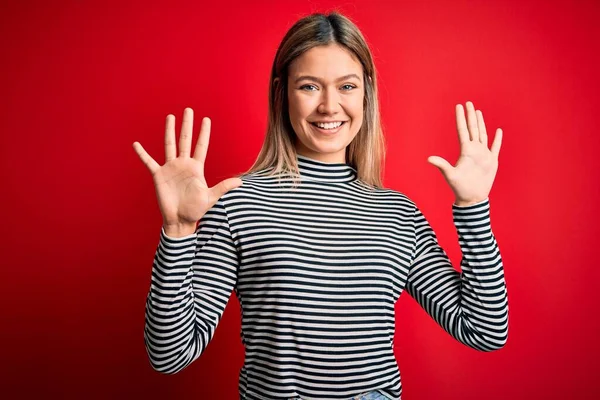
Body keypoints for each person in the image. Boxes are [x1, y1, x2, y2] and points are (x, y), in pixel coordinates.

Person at [132, 11, 508, 400]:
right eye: (310, 86)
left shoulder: (398, 214)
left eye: (346, 86)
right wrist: (177, 232)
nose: (329, 106)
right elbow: (169, 356)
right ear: (282, 93)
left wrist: (474, 207)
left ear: (366, 92)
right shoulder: (238, 203)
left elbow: (484, 330)